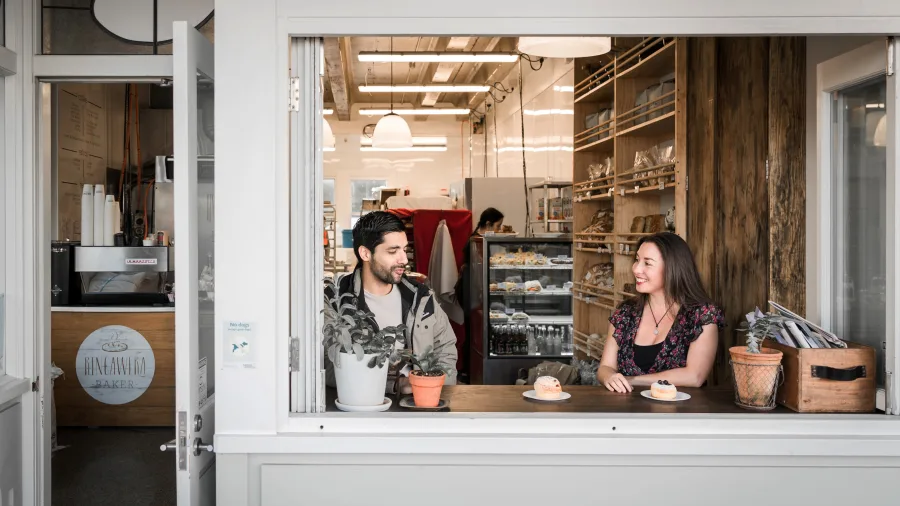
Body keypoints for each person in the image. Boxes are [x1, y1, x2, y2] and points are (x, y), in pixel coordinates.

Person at [326, 211, 458, 394]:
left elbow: (446, 348)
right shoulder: (336, 300)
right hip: (359, 403)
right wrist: (394, 386)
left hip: (420, 402)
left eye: (404, 249)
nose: (403, 259)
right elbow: (326, 366)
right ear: (365, 253)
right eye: (393, 251)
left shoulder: (421, 297)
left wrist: (430, 389)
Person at [596, 232, 724, 392]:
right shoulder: (625, 313)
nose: (636, 269)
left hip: (680, 408)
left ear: (672, 268)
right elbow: (605, 367)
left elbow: (695, 376)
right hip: (626, 407)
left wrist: (630, 380)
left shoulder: (701, 315)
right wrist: (609, 376)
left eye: (647, 263)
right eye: (637, 260)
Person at [455, 208, 504, 381]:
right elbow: (476, 270)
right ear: (488, 224)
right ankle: (468, 371)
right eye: (498, 226)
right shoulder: (475, 242)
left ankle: (469, 370)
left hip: (473, 290)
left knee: (473, 330)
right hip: (471, 291)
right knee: (473, 330)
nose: (499, 230)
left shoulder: (478, 240)